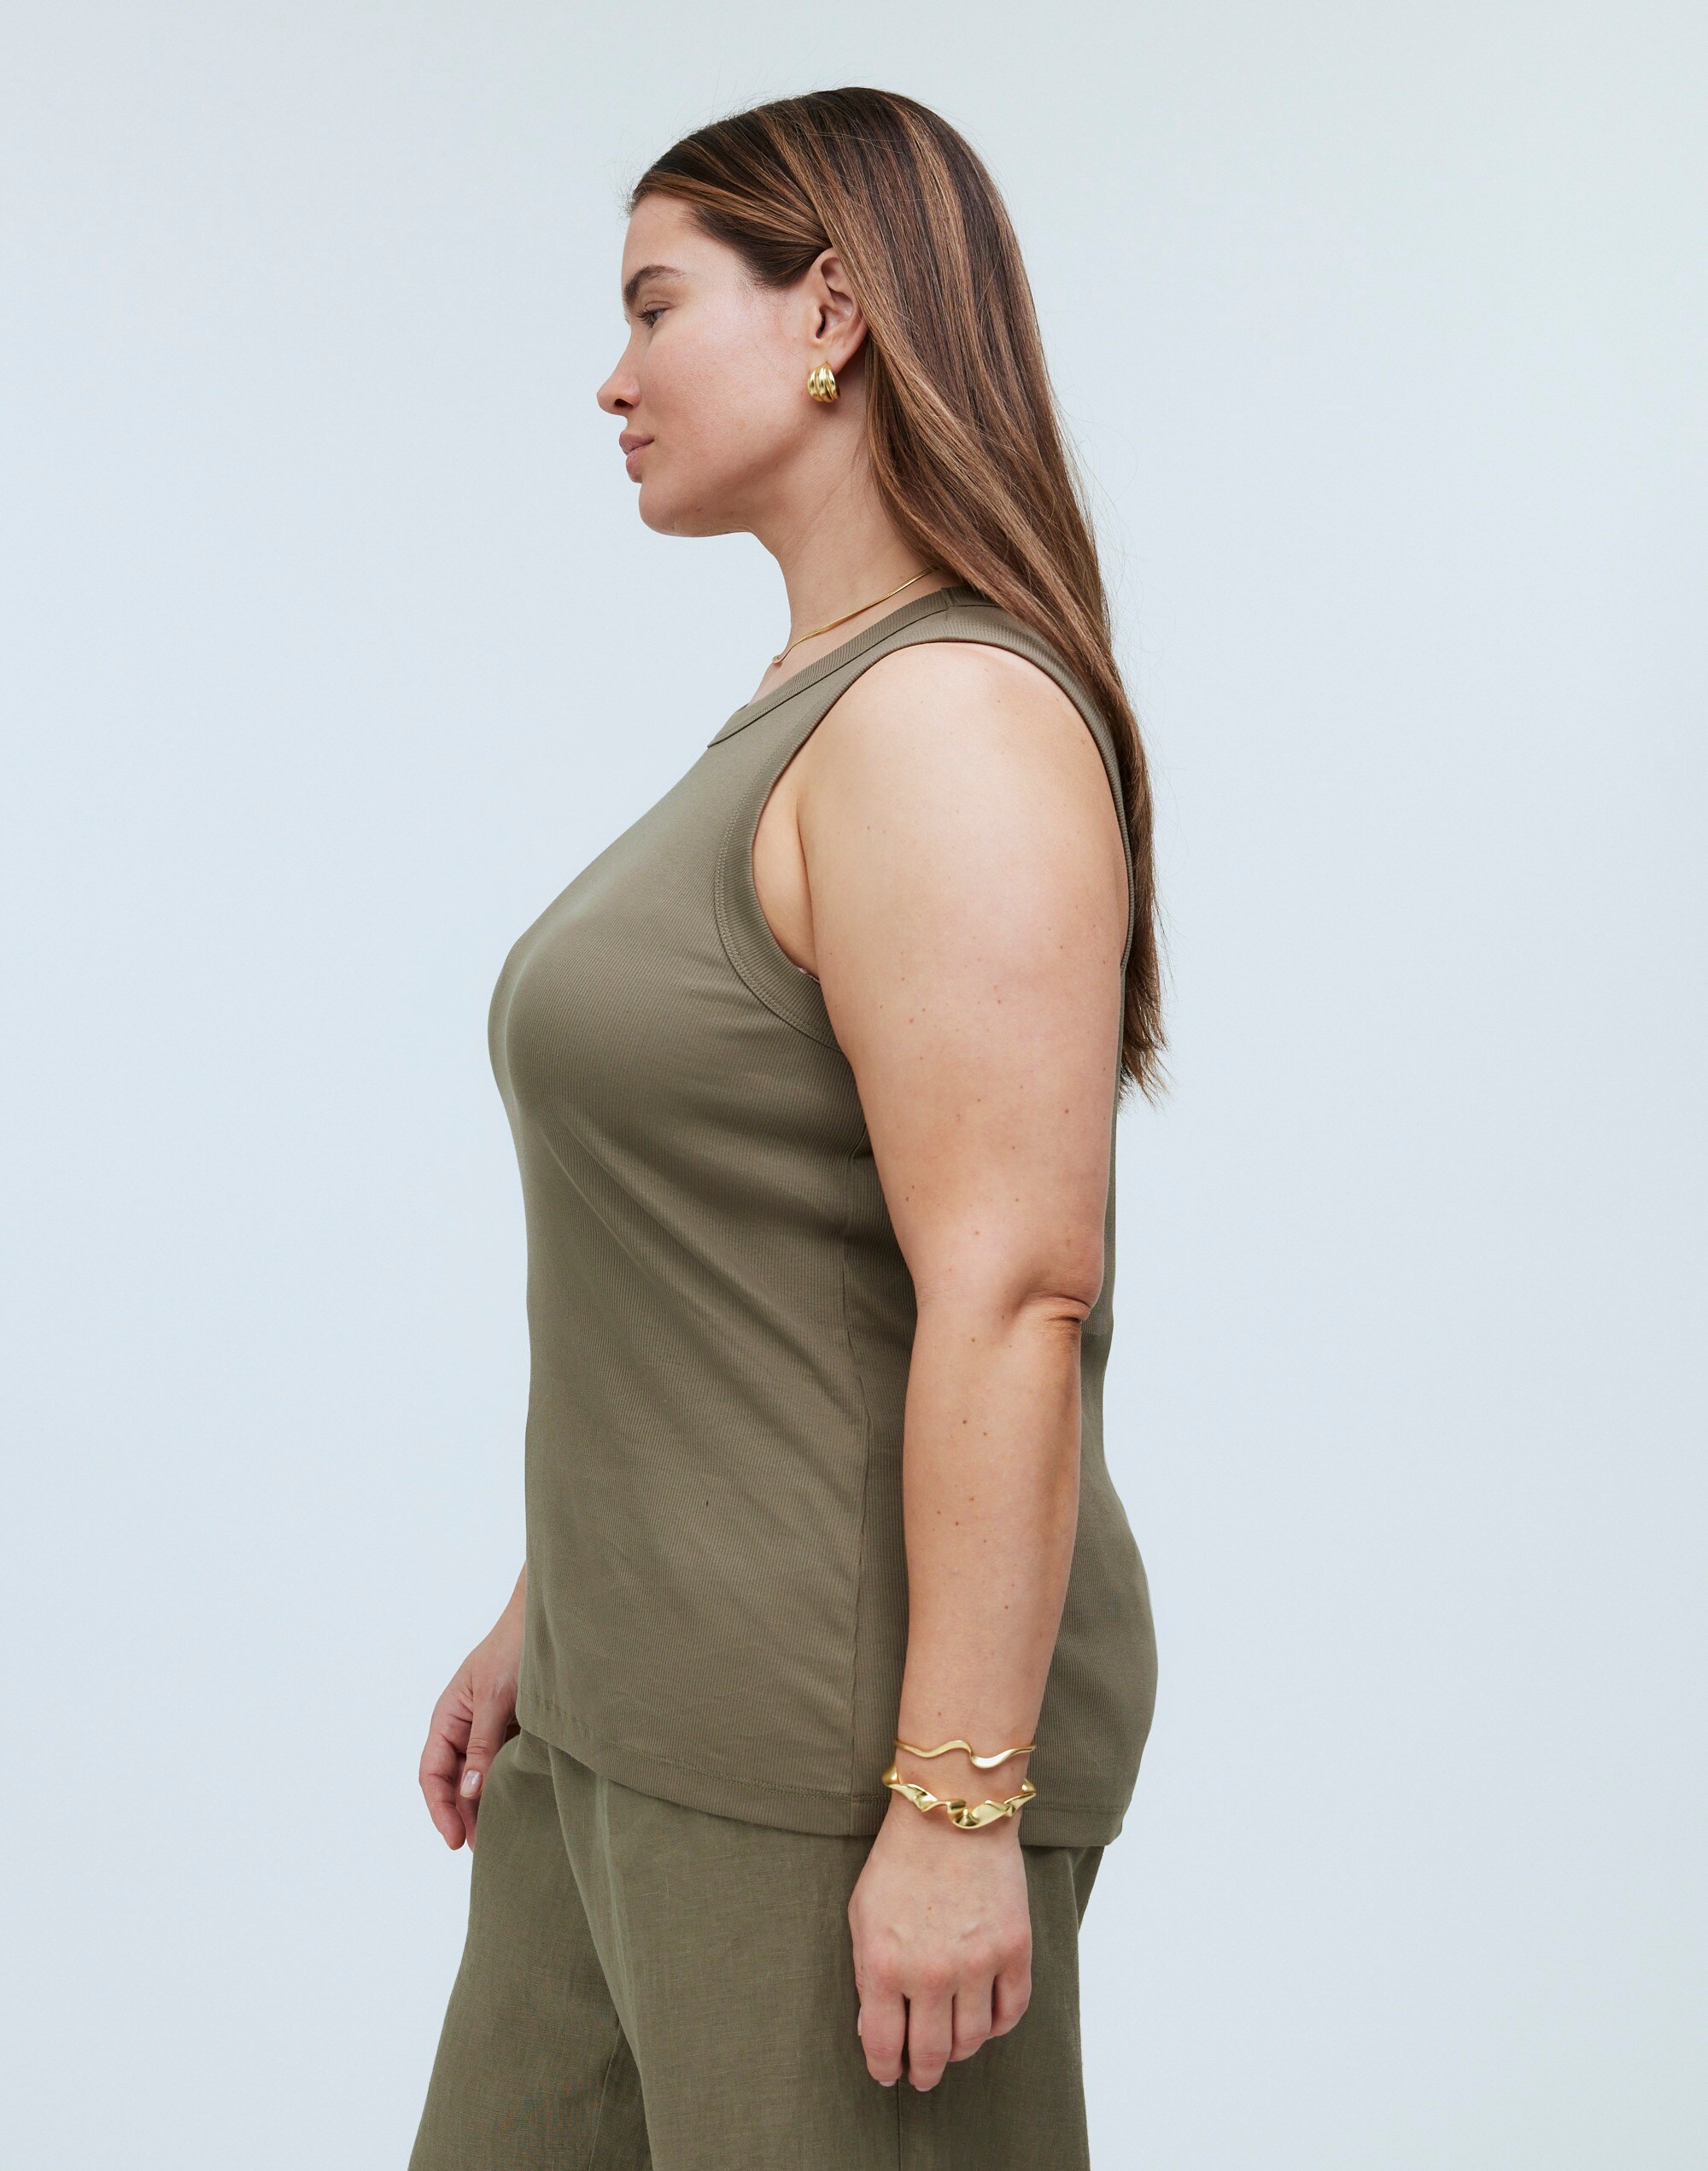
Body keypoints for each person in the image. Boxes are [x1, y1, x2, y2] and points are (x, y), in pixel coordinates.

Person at [407, 86, 1162, 2171]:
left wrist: (956, 1802)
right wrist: (552, 1607)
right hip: (626, 1711)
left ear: (830, 311)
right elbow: (733, 1255)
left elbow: (1012, 1291)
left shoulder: (948, 722)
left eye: (654, 305)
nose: (613, 375)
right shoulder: (812, 703)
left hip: (825, 1763)